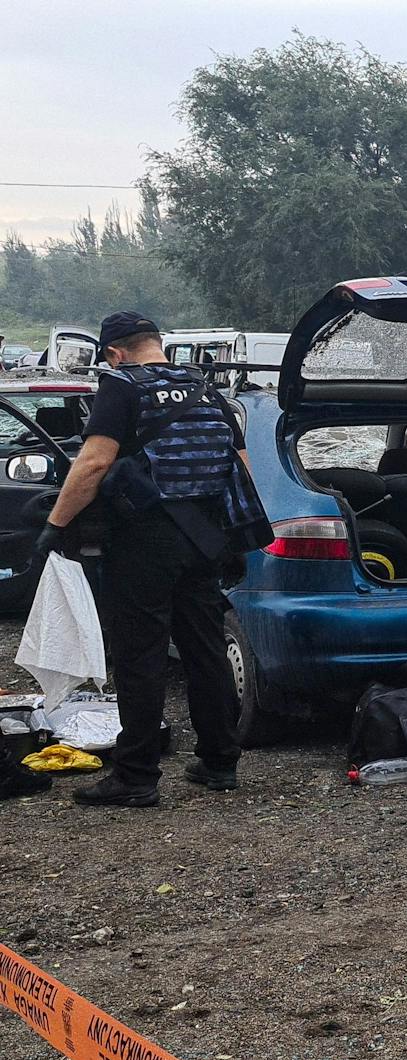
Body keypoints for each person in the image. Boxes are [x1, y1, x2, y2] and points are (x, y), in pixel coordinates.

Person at [32, 312, 272, 806]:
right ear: (157, 344)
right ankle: (220, 762)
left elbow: (95, 461)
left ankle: (135, 776)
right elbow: (240, 468)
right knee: (204, 649)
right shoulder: (210, 393)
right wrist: (232, 541)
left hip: (145, 538)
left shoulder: (121, 387)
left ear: (115, 353)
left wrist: (56, 526)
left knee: (141, 656)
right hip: (204, 536)